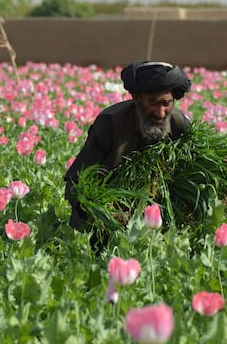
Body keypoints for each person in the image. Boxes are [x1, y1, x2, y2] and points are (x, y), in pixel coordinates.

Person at [64, 60, 192, 234]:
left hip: (156, 213)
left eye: (167, 103)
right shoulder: (110, 124)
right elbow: (76, 182)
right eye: (153, 103)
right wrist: (102, 212)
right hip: (106, 217)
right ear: (137, 98)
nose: (161, 113)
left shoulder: (179, 124)